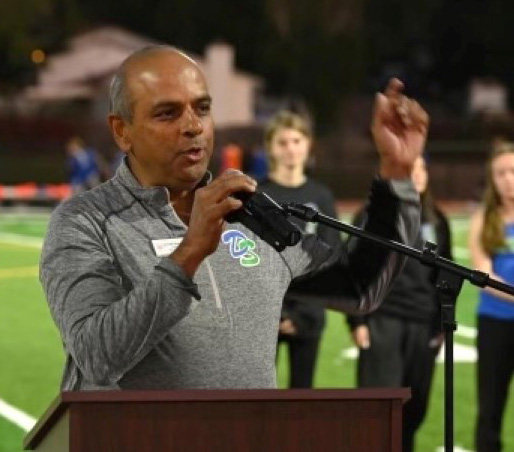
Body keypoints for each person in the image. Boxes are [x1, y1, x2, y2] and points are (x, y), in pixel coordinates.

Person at [39, 45, 427, 391]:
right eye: (167, 113)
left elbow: (360, 288)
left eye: (202, 108)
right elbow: (97, 355)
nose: (193, 126)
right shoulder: (84, 222)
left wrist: (396, 174)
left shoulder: (250, 211)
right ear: (122, 131)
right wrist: (188, 254)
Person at [347, 155, 452, 452]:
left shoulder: (436, 219)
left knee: (414, 411)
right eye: (408, 169)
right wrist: (357, 321)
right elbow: (354, 271)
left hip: (423, 325)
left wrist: (441, 323)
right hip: (383, 320)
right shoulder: (370, 216)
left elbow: (446, 274)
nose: (417, 175)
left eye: (421, 168)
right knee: (378, 410)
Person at [257, 110, 341, 388]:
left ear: (308, 145)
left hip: (309, 313)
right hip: (263, 314)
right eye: (282, 142)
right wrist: (278, 313)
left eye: (297, 140)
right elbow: (248, 260)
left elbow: (331, 258)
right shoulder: (258, 195)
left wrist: (300, 314)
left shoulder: (321, 196)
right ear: (270, 147)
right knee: (256, 399)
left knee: (302, 399)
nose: (290, 149)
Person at [468, 142, 514, 452]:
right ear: (492, 178)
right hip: (495, 323)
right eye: (500, 173)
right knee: (490, 408)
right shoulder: (484, 218)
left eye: (513, 171)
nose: (508, 179)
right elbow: (483, 275)